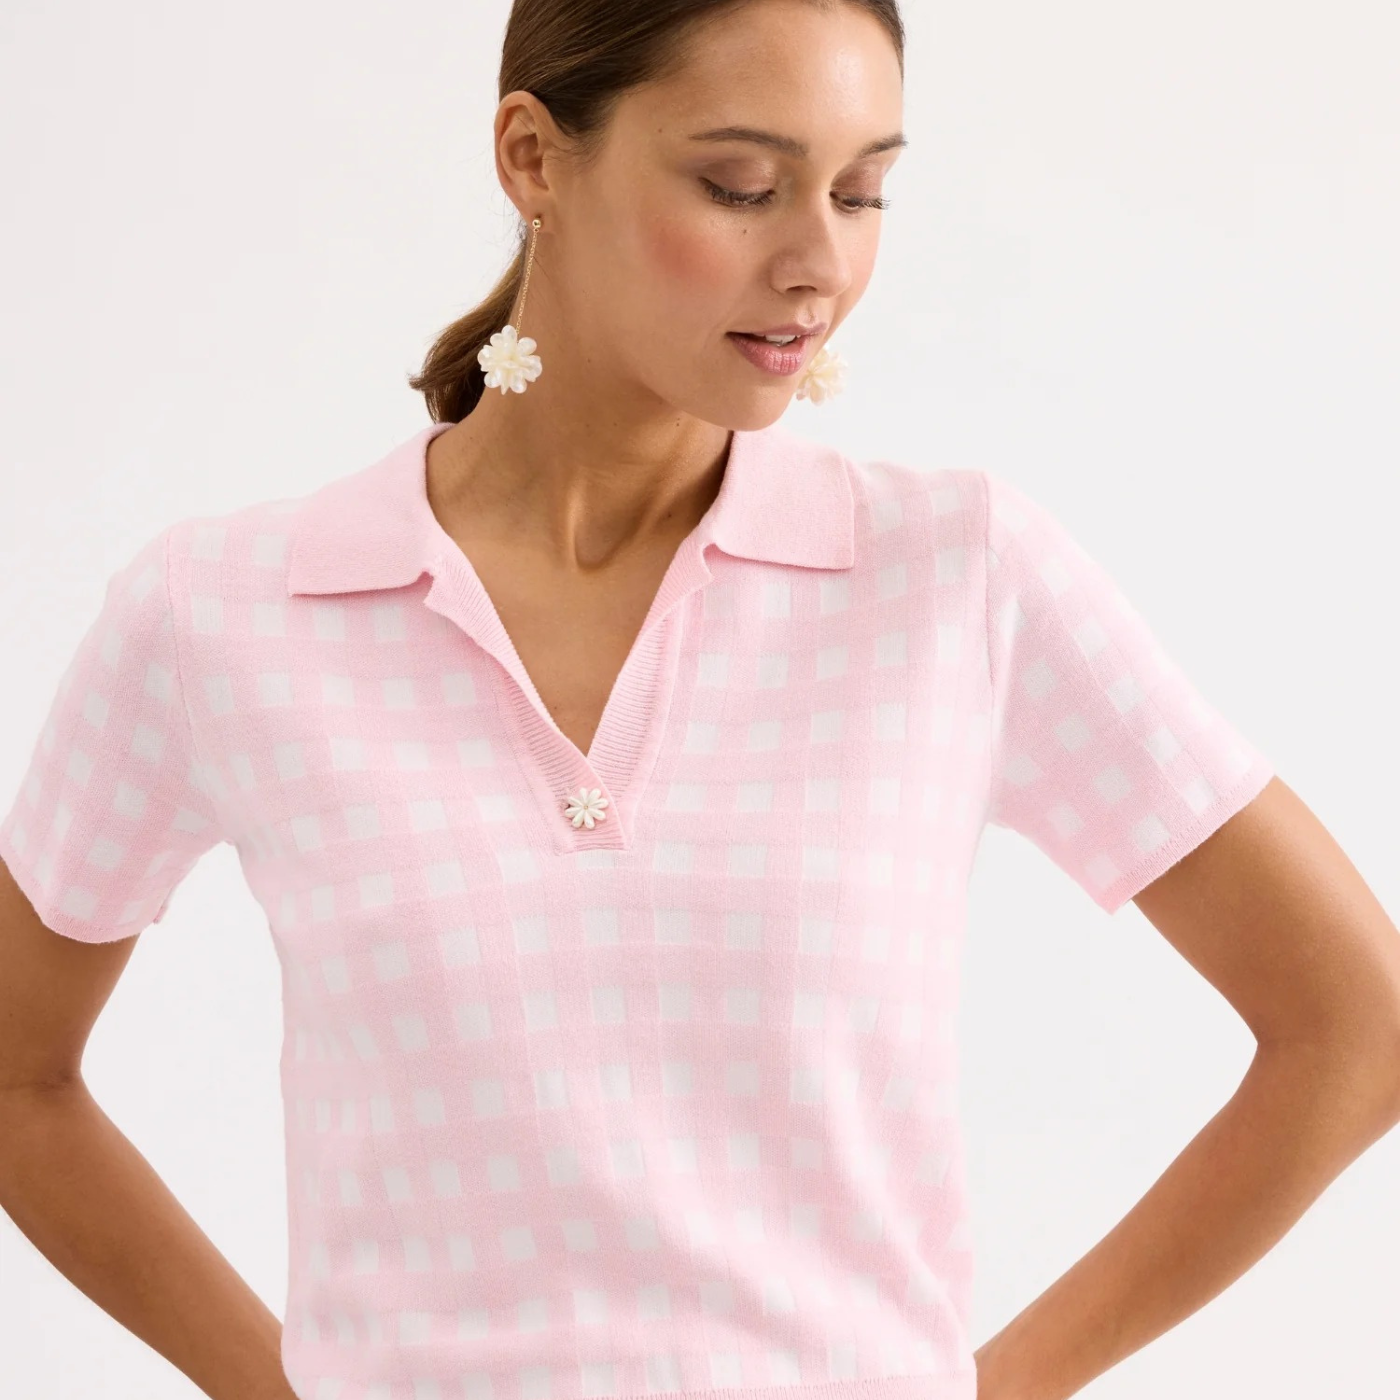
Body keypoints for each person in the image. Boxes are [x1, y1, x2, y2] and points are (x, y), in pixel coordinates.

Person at [3, 2, 1399, 1399]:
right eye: (741, 186)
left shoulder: (958, 575)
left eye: (862, 192)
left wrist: (997, 1388)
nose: (820, 264)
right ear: (532, 158)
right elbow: (18, 1077)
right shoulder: (220, 614)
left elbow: (1358, 1022)